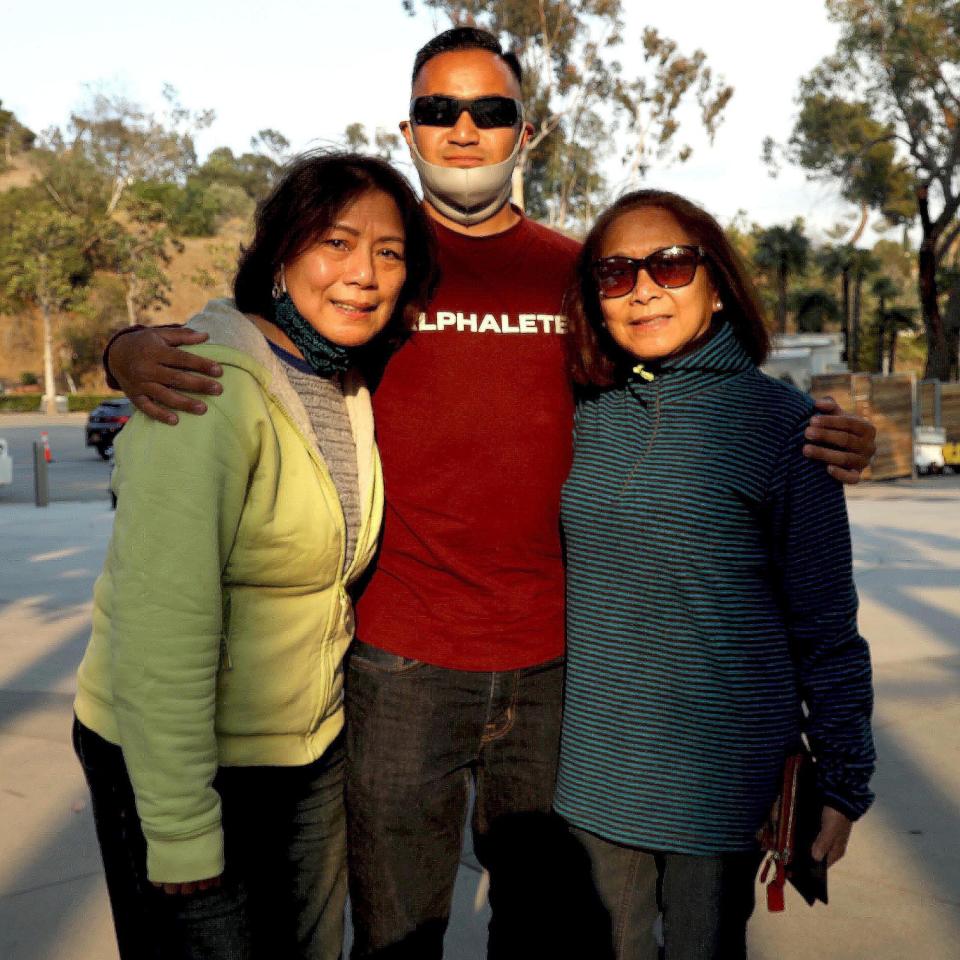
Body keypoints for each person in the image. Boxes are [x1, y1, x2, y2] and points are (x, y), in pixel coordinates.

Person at [99, 28, 878, 959]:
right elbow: (258, 338)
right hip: (399, 666)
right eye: (439, 110)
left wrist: (809, 423)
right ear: (410, 128)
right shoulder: (369, 269)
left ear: (527, 131)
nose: (465, 130)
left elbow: (676, 382)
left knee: (550, 936)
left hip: (559, 672)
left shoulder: (581, 273)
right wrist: (126, 349)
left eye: (490, 110)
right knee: (396, 933)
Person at [73, 152, 435, 960]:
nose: (364, 274)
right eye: (336, 243)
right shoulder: (202, 385)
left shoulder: (344, 383)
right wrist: (179, 829)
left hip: (303, 754)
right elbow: (161, 623)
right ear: (280, 255)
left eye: (389, 252)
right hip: (182, 762)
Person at [557, 189, 876, 959]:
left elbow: (828, 630)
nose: (643, 288)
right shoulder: (584, 412)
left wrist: (843, 782)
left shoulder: (788, 430)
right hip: (595, 776)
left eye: (669, 264)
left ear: (716, 281)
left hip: (720, 786)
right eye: (615, 273)